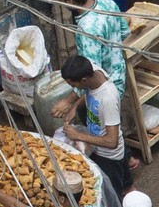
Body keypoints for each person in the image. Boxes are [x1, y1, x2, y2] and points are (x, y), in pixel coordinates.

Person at [55, 56, 132, 197]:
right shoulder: (92, 70)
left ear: (84, 80)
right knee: (125, 182)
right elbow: (89, 92)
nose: (74, 89)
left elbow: (112, 141)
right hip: (98, 147)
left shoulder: (108, 98)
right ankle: (129, 188)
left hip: (109, 157)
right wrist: (75, 107)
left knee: (113, 194)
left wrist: (77, 135)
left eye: (74, 85)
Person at [53, 0, 128, 95]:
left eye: (60, 0)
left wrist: (71, 102)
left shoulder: (87, 29)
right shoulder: (105, 0)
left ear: (69, 1)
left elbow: (91, 74)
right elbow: (125, 32)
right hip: (120, 74)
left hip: (106, 89)